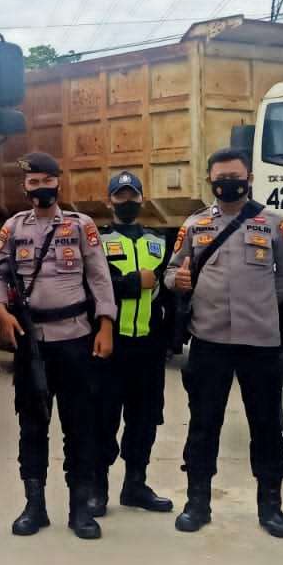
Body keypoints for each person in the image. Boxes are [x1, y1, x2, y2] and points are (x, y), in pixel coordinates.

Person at [165, 148, 283, 538]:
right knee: (204, 423)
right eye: (221, 176)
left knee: (265, 425)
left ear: (250, 179)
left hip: (259, 342)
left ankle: (271, 506)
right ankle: (197, 501)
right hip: (209, 341)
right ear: (210, 180)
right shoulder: (194, 225)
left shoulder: (274, 223)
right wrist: (180, 282)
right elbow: (171, 273)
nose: (228, 182)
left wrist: (258, 305)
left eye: (236, 176)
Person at [0, 151, 116, 540]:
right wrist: (0, 311)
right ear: (24, 187)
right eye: (33, 183)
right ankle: (35, 506)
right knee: (32, 427)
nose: (40, 188)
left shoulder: (81, 227)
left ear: (59, 184)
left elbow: (99, 277)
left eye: (47, 181)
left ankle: (80, 509)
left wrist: (106, 324)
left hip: (76, 339)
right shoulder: (13, 228)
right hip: (32, 344)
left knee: (79, 426)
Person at [91, 171, 174, 517]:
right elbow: (93, 284)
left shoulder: (158, 240)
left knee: (145, 419)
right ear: (109, 201)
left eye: (132, 195)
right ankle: (97, 488)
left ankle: (135, 485)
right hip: (111, 346)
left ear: (142, 199)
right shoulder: (97, 239)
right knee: (103, 419)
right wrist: (130, 282)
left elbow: (168, 288)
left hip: (149, 348)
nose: (127, 201)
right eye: (120, 196)